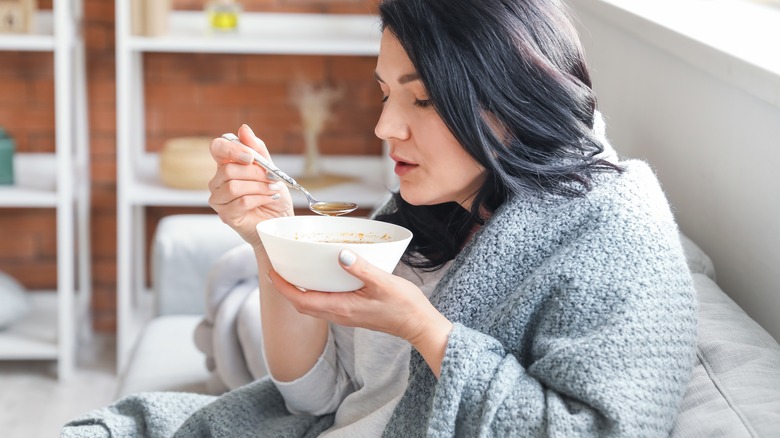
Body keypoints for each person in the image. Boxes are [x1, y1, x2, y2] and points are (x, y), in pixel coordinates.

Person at [63, 0, 697, 436]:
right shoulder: (439, 209)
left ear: (512, 97)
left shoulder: (615, 234)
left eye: (420, 98)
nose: (384, 126)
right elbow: (314, 399)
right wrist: (270, 237)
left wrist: (427, 331)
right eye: (386, 92)